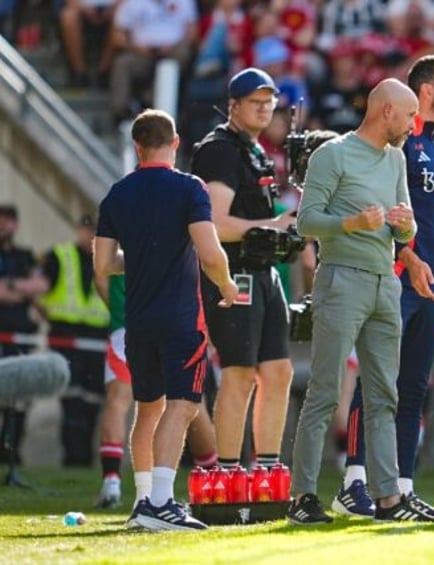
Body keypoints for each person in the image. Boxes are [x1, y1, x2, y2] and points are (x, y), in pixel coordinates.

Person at [289, 78, 434, 524]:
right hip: (340, 281)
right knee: (324, 392)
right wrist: (353, 222)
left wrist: (405, 226)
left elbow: (405, 231)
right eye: (411, 115)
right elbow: (306, 222)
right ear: (386, 112)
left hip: (384, 283)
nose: (415, 124)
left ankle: (389, 499)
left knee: (384, 396)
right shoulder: (332, 154)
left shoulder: (395, 159)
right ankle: (303, 497)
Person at [333, 54, 434, 520]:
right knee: (375, 384)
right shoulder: (392, 147)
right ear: (426, 90)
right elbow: (370, 209)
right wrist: (404, 257)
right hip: (392, 280)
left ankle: (402, 490)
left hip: (431, 285)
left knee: (413, 389)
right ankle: (353, 481)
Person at [94, 108, 238, 530]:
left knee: (147, 408)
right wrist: (228, 285)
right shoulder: (189, 187)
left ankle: (142, 504)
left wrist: (140, 258)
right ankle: (160, 502)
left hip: (136, 320)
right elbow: (210, 254)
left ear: (137, 147)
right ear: (176, 143)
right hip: (180, 318)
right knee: (183, 405)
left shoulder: (117, 193)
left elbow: (103, 264)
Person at [190, 68, 295, 474]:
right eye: (256, 101)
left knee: (278, 370)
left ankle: (266, 469)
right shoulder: (220, 149)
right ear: (232, 105)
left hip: (263, 271)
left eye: (270, 102)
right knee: (238, 373)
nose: (265, 108)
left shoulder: (255, 149)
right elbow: (214, 223)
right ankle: (226, 473)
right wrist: (274, 226)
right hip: (234, 272)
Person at [92, 273, 219, 509]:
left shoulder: (121, 235)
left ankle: (128, 489)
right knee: (188, 404)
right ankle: (212, 482)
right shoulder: (177, 235)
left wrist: (121, 309)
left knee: (131, 405)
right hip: (176, 322)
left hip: (130, 325)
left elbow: (101, 273)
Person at [40, 214, 109, 467]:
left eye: (94, 231)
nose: (89, 236)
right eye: (86, 230)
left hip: (97, 341)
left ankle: (84, 461)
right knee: (71, 404)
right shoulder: (60, 255)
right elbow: (40, 289)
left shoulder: (109, 259)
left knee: (92, 404)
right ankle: (72, 460)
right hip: (65, 339)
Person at [0, 204, 48, 466]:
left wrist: (9, 285)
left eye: (9, 220)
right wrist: (21, 289)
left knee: (19, 400)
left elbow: (39, 285)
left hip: (20, 336)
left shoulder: (26, 256)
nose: (4, 225)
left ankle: (12, 452)